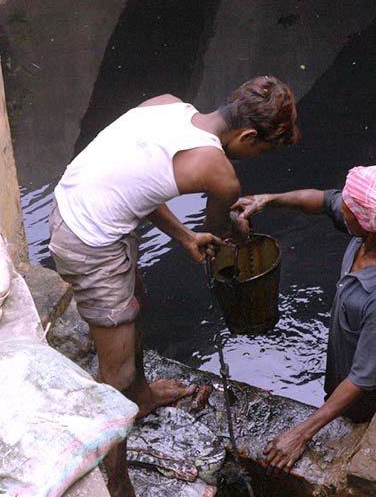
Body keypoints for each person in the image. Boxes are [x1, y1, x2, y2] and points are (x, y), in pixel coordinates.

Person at [48, 76, 299, 496]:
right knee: (117, 371)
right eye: (261, 149)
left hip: (78, 208)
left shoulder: (165, 105)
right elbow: (220, 231)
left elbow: (138, 187)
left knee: (136, 299)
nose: (254, 158)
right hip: (90, 242)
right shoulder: (220, 172)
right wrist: (235, 228)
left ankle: (142, 396)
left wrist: (183, 238)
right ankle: (116, 479)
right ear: (249, 134)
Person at [233, 164, 376, 474]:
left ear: (368, 222)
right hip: (361, 358)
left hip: (374, 397)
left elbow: (363, 378)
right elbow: (322, 201)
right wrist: (267, 199)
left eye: (348, 208)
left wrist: (301, 433)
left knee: (369, 433)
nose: (341, 208)